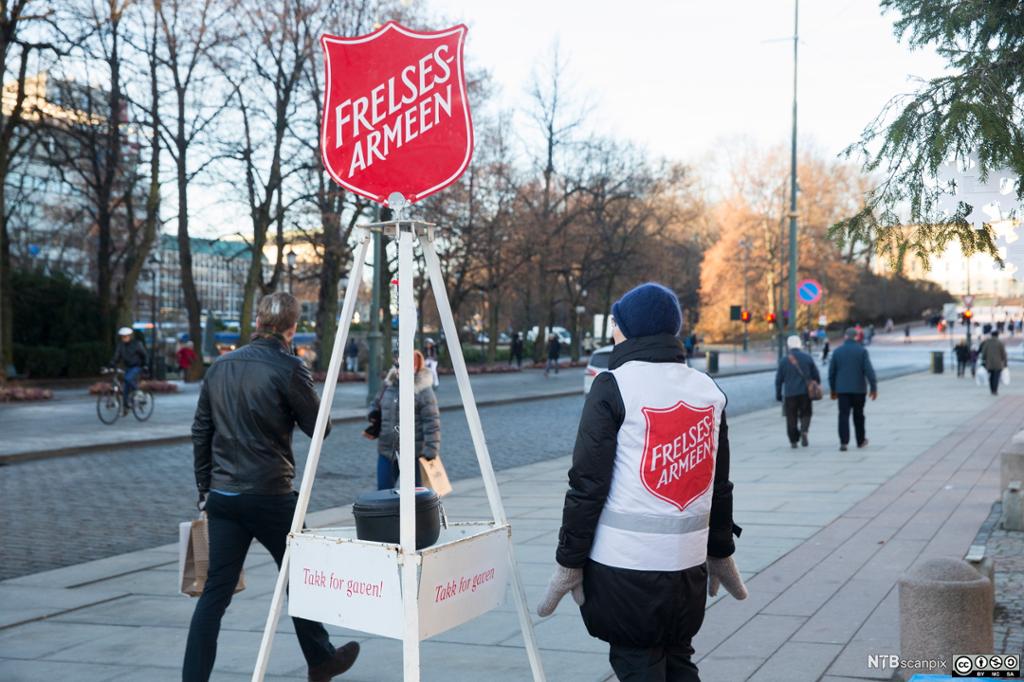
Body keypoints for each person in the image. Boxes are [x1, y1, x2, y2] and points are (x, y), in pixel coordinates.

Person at [537, 283, 745, 682]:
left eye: (616, 322)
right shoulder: (707, 390)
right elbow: (718, 484)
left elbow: (586, 486)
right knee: (679, 660)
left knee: (638, 664)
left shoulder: (614, 386)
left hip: (625, 570)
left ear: (630, 330)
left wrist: (568, 562)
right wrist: (720, 550)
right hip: (687, 570)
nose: (612, 329)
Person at [185, 292, 359, 682]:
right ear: (292, 327)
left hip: (224, 496)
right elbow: (320, 428)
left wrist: (204, 489)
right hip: (269, 494)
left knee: (214, 595)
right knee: (302, 575)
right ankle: (321, 659)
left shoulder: (220, 367)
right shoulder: (287, 366)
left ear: (259, 322)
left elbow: (200, 430)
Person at [364, 349, 440, 490]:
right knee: (384, 493)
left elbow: (432, 422)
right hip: (387, 450)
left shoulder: (424, 391)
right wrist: (373, 413)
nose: (400, 369)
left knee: (417, 496)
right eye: (399, 365)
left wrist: (431, 450)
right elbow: (375, 403)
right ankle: (390, 513)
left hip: (415, 453)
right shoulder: (388, 385)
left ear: (417, 366)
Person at [828, 327, 878, 452]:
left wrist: (833, 389)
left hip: (842, 390)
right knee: (859, 415)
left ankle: (844, 442)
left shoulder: (837, 352)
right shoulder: (862, 351)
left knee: (843, 415)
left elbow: (831, 373)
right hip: (858, 390)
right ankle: (860, 441)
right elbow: (869, 371)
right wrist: (873, 387)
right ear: (856, 337)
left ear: (845, 336)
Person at [776, 335, 820, 448]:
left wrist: (778, 394)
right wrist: (815, 385)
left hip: (790, 393)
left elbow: (779, 379)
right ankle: (804, 431)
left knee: (791, 417)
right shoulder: (807, 358)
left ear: (789, 346)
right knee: (806, 413)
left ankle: (793, 440)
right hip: (805, 392)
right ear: (799, 344)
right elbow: (816, 375)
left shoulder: (784, 360)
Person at [110, 327, 147, 410]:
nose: (124, 338)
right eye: (122, 336)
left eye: (126, 336)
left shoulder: (137, 344)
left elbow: (144, 355)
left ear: (130, 336)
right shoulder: (120, 345)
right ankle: (126, 406)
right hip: (127, 368)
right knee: (126, 387)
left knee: (128, 378)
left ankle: (138, 392)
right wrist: (112, 363)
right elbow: (117, 356)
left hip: (136, 366)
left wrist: (145, 365)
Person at [979, 330, 1008, 396]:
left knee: (991, 376)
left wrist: (983, 360)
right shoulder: (1000, 343)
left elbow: (984, 352)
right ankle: (995, 390)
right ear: (997, 335)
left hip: (989, 363)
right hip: (998, 363)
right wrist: (1005, 362)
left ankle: (992, 389)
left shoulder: (987, 342)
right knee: (996, 377)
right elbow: (1003, 354)